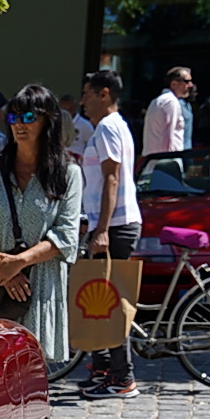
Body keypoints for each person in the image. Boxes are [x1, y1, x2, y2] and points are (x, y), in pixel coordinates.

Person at [0, 84, 82, 375]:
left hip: (38, 286)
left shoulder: (68, 174)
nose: (19, 125)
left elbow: (66, 236)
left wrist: (19, 263)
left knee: (30, 378)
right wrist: (4, 271)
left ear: (48, 120)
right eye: (13, 118)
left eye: (28, 117)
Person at [77, 68, 142, 400]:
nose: (83, 101)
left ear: (104, 94)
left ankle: (122, 377)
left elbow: (111, 180)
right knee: (100, 301)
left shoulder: (106, 128)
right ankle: (103, 368)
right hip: (112, 224)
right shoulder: (114, 127)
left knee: (111, 304)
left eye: (88, 94)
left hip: (115, 226)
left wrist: (101, 229)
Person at [144, 67, 196, 155]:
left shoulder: (158, 100)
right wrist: (171, 160)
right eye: (186, 81)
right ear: (174, 84)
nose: (190, 85)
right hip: (166, 160)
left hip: (155, 158)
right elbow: (170, 135)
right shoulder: (171, 102)